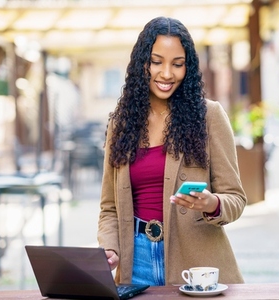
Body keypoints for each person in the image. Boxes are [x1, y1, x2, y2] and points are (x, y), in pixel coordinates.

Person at [97, 16, 247, 286]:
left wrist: (212, 204)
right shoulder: (120, 123)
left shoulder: (209, 116)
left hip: (197, 264)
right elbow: (109, 207)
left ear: (187, 67)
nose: (167, 74)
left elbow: (235, 198)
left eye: (177, 64)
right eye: (156, 62)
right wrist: (110, 248)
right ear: (142, 63)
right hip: (136, 261)